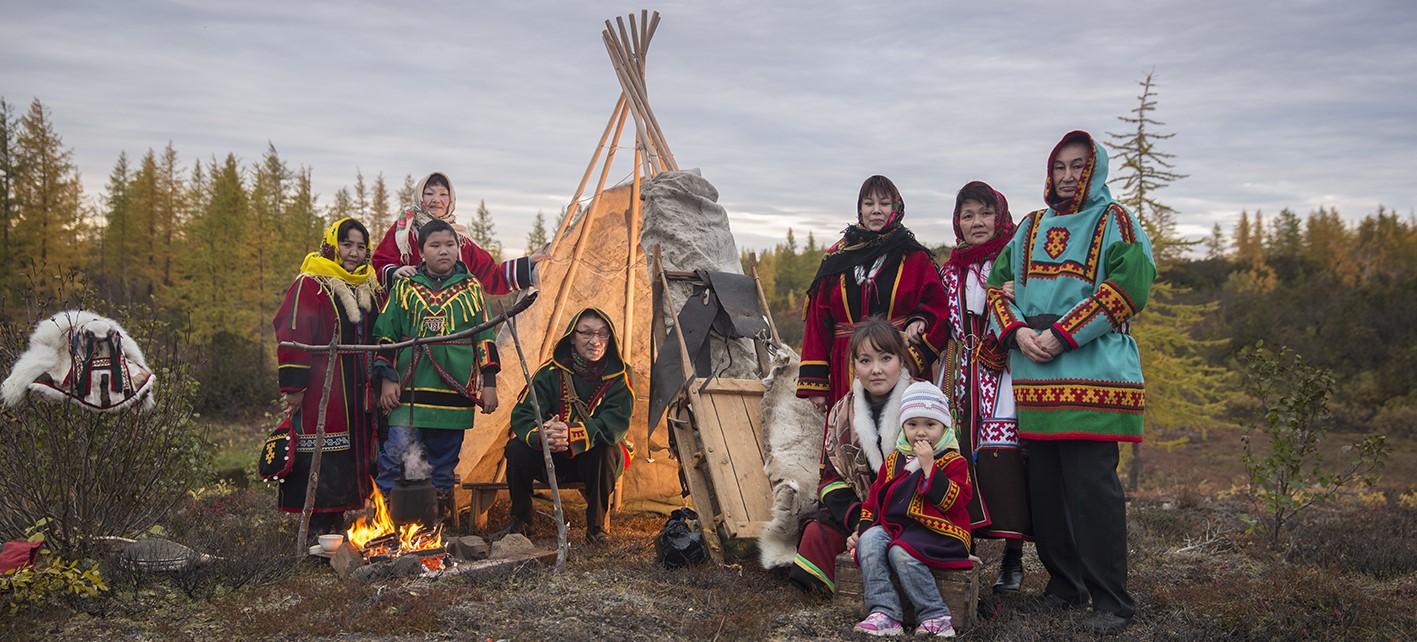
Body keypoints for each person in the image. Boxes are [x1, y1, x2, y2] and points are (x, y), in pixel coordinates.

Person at [986, 131, 1156, 635]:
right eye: (1059, 166)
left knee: (1092, 490)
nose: (1066, 176)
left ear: (1095, 170)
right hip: (1036, 380)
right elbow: (998, 287)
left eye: (1078, 167)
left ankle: (1111, 601)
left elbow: (1129, 288)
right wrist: (1016, 331)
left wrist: (1061, 335)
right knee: (1047, 491)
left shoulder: (1117, 221)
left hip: (1093, 376)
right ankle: (1064, 585)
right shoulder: (1029, 228)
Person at [372, 218, 501, 519]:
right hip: (408, 388)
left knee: (444, 460)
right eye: (435, 245)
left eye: (450, 244)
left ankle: (434, 521)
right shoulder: (405, 286)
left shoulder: (472, 289)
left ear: (458, 248)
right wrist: (387, 379)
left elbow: (485, 336)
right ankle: (383, 520)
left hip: (453, 391)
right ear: (421, 251)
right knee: (396, 452)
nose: (444, 251)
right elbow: (386, 333)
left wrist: (490, 383)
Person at [938, 181, 1032, 592]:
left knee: (1005, 460)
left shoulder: (1018, 262)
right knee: (960, 461)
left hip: (1004, 374)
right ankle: (963, 546)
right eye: (968, 215)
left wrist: (1019, 295)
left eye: (985, 213)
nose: (977, 223)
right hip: (962, 378)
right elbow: (942, 323)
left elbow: (1039, 304)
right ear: (957, 222)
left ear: (1000, 216)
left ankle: (1013, 559)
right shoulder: (950, 271)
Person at [797, 175, 950, 410]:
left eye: (884, 203)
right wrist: (816, 382)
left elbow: (938, 309)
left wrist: (917, 328)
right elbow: (818, 321)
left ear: (896, 208)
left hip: (900, 367)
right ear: (860, 209)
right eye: (869, 204)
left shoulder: (915, 258)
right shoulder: (836, 259)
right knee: (850, 437)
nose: (876, 210)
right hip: (846, 366)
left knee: (903, 437)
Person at [789, 316, 915, 594]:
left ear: (901, 361)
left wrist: (882, 522)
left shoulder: (922, 405)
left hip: (912, 512)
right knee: (816, 534)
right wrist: (860, 522)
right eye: (865, 361)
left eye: (885, 358)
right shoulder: (841, 412)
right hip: (859, 513)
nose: (876, 370)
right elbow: (831, 479)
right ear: (854, 366)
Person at [272, 217, 382, 536]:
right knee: (325, 451)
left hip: (358, 386)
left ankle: (342, 525)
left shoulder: (368, 286)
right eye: (346, 244)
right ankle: (319, 528)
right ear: (332, 245)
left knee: (352, 456)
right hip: (323, 385)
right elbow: (291, 330)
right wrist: (294, 387)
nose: (353, 252)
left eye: (361, 247)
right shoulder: (312, 282)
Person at [847, 382, 973, 637]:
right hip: (896, 530)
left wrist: (929, 468)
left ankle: (935, 615)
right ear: (903, 426)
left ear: (944, 426)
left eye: (930, 424)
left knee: (901, 551)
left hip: (939, 533)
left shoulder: (953, 461)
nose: (921, 433)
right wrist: (862, 531)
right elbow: (874, 499)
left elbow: (955, 502)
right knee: (871, 540)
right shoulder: (894, 460)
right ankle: (884, 612)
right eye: (912, 424)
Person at [500, 308, 634, 545]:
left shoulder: (621, 376)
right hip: (550, 457)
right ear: (573, 337)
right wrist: (545, 435)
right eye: (587, 333)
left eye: (603, 334)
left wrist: (572, 434)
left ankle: (596, 527)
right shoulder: (549, 372)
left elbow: (615, 423)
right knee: (516, 449)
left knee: (607, 451)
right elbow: (523, 414)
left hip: (590, 461)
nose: (595, 341)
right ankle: (521, 519)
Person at [372, 171, 540, 293]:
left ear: (451, 200)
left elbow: (491, 274)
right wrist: (394, 272)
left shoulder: (460, 239)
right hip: (411, 318)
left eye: (443, 194)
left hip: (456, 321)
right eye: (429, 193)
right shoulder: (405, 231)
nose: (436, 200)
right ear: (420, 198)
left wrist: (529, 263)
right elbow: (380, 261)